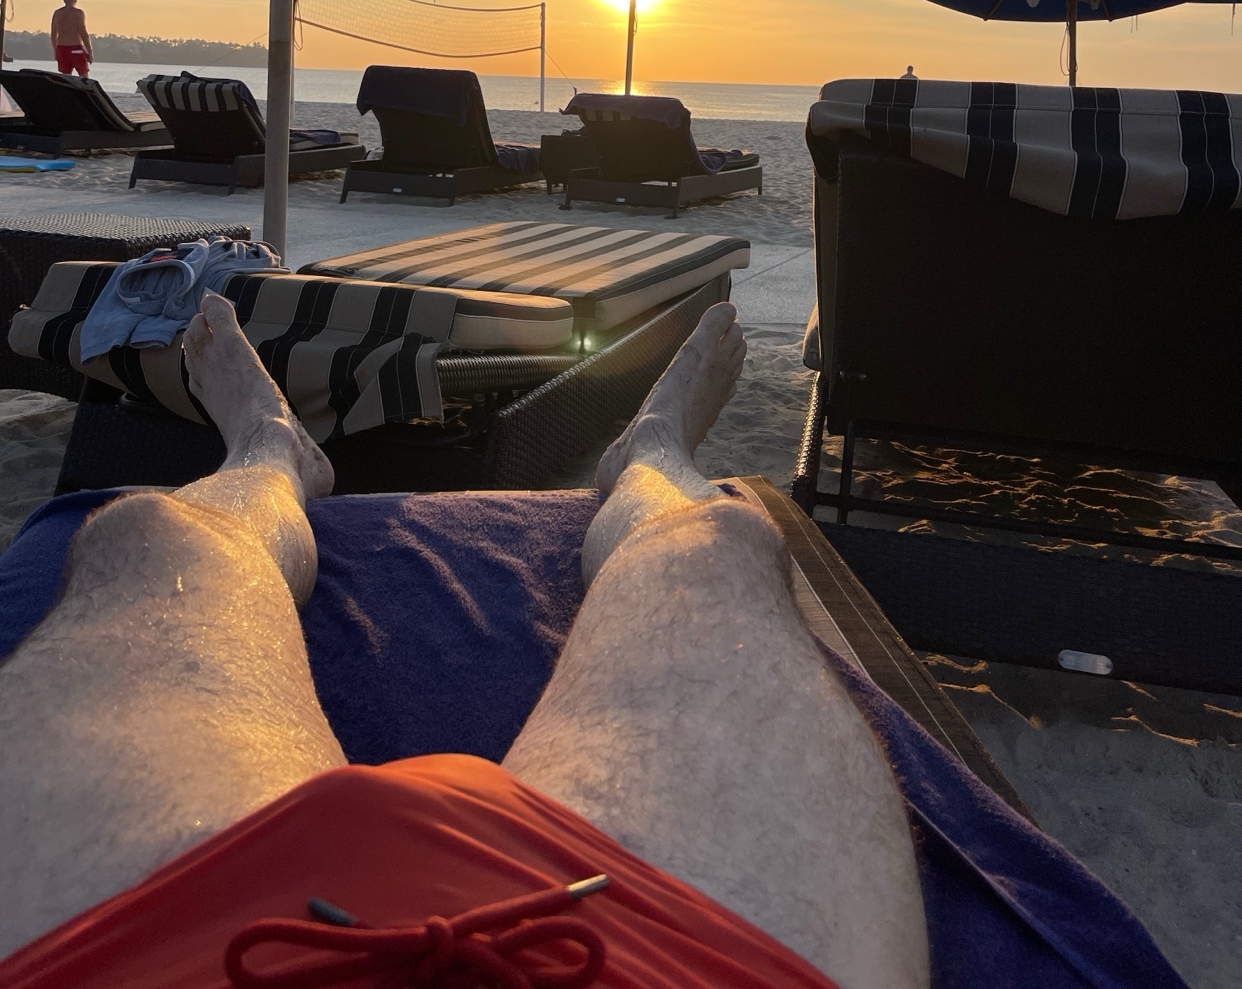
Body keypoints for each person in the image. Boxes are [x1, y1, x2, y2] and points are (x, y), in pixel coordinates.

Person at [0, 299, 929, 989]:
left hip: (155, 954)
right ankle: (649, 461)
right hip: (633, 956)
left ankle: (266, 455)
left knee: (151, 542)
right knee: (718, 550)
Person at [49, 0, 92, 77]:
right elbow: (83, 32)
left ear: (64, 0)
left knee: (66, 78)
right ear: (76, 0)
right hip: (76, 48)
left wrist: (55, 50)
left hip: (62, 49)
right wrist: (90, 51)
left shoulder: (57, 13)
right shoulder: (78, 13)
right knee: (84, 78)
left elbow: (53, 34)